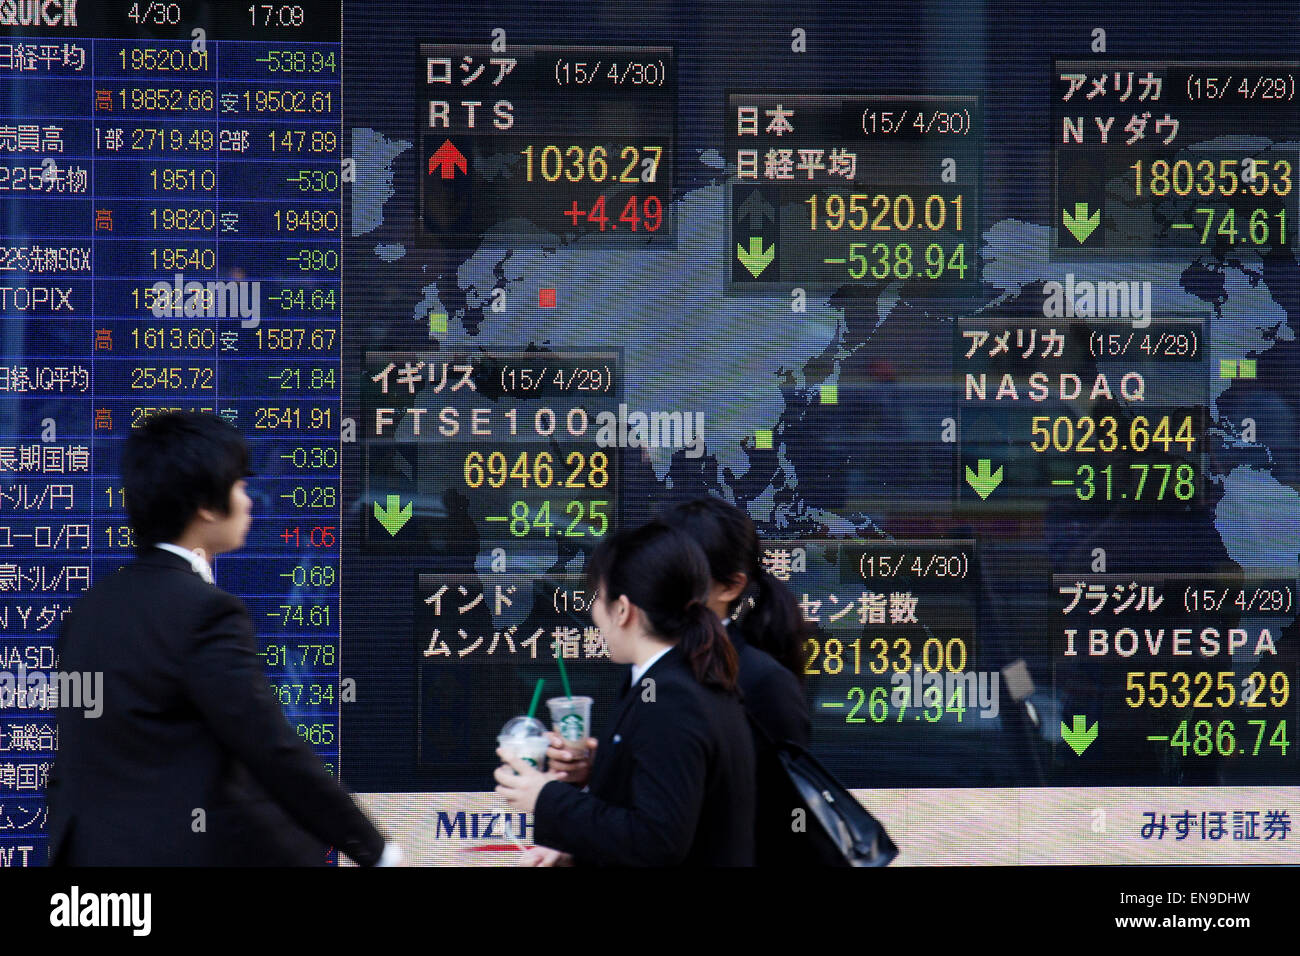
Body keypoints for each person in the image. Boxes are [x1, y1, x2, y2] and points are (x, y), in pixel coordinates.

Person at [46, 412, 400, 866]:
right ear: (205, 505)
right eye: (239, 485)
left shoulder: (88, 612)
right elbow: (269, 747)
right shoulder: (205, 613)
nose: (249, 500)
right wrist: (377, 851)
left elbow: (71, 765)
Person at [549, 496, 811, 864]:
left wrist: (548, 800)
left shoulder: (758, 681)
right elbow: (680, 779)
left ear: (730, 587)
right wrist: (609, 766)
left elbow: (777, 816)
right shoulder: (659, 667)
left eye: (682, 569)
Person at [493, 520, 755, 866]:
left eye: (598, 598)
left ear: (622, 609)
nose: (593, 613)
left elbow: (657, 841)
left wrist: (546, 797)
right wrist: (598, 771)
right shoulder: (677, 679)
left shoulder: (673, 700)